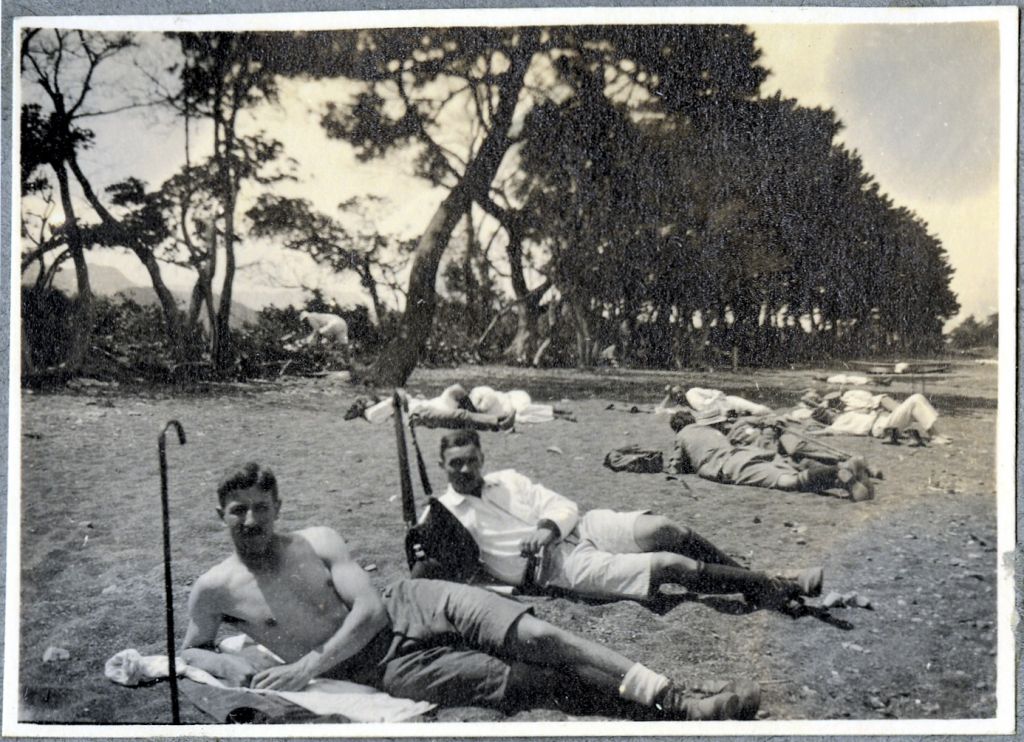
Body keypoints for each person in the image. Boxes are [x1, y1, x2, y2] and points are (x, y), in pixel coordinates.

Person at [182, 462, 759, 720]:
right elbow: (191, 648)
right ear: (221, 515)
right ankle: (667, 711)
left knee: (539, 633)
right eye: (239, 511)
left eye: (262, 508)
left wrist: (307, 664)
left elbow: (371, 606)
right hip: (379, 669)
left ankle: (678, 696)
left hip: (412, 601)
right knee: (532, 683)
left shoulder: (316, 540)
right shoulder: (214, 590)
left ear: (278, 507)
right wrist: (231, 667)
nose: (252, 521)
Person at [415, 430, 824, 609]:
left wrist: (546, 529)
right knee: (670, 566)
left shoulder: (508, 479)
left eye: (471, 461)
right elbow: (439, 569)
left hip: (581, 528)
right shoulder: (441, 518)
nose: (465, 471)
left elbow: (562, 504)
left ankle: (754, 584)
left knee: (668, 529)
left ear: (482, 458)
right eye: (455, 464)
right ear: (441, 465)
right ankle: (774, 584)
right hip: (561, 568)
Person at [668, 409, 875, 502]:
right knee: (790, 469)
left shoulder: (683, 434)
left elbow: (675, 466)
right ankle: (842, 481)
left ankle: (839, 473)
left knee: (786, 482)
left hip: (728, 466)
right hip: (748, 453)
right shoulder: (713, 431)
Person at [810, 389, 950, 445]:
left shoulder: (846, 415)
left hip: (884, 423)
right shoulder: (838, 423)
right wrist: (812, 432)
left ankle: (936, 434)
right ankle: (934, 435)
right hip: (881, 428)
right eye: (830, 412)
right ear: (829, 416)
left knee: (916, 400)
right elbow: (828, 431)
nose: (833, 411)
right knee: (915, 399)